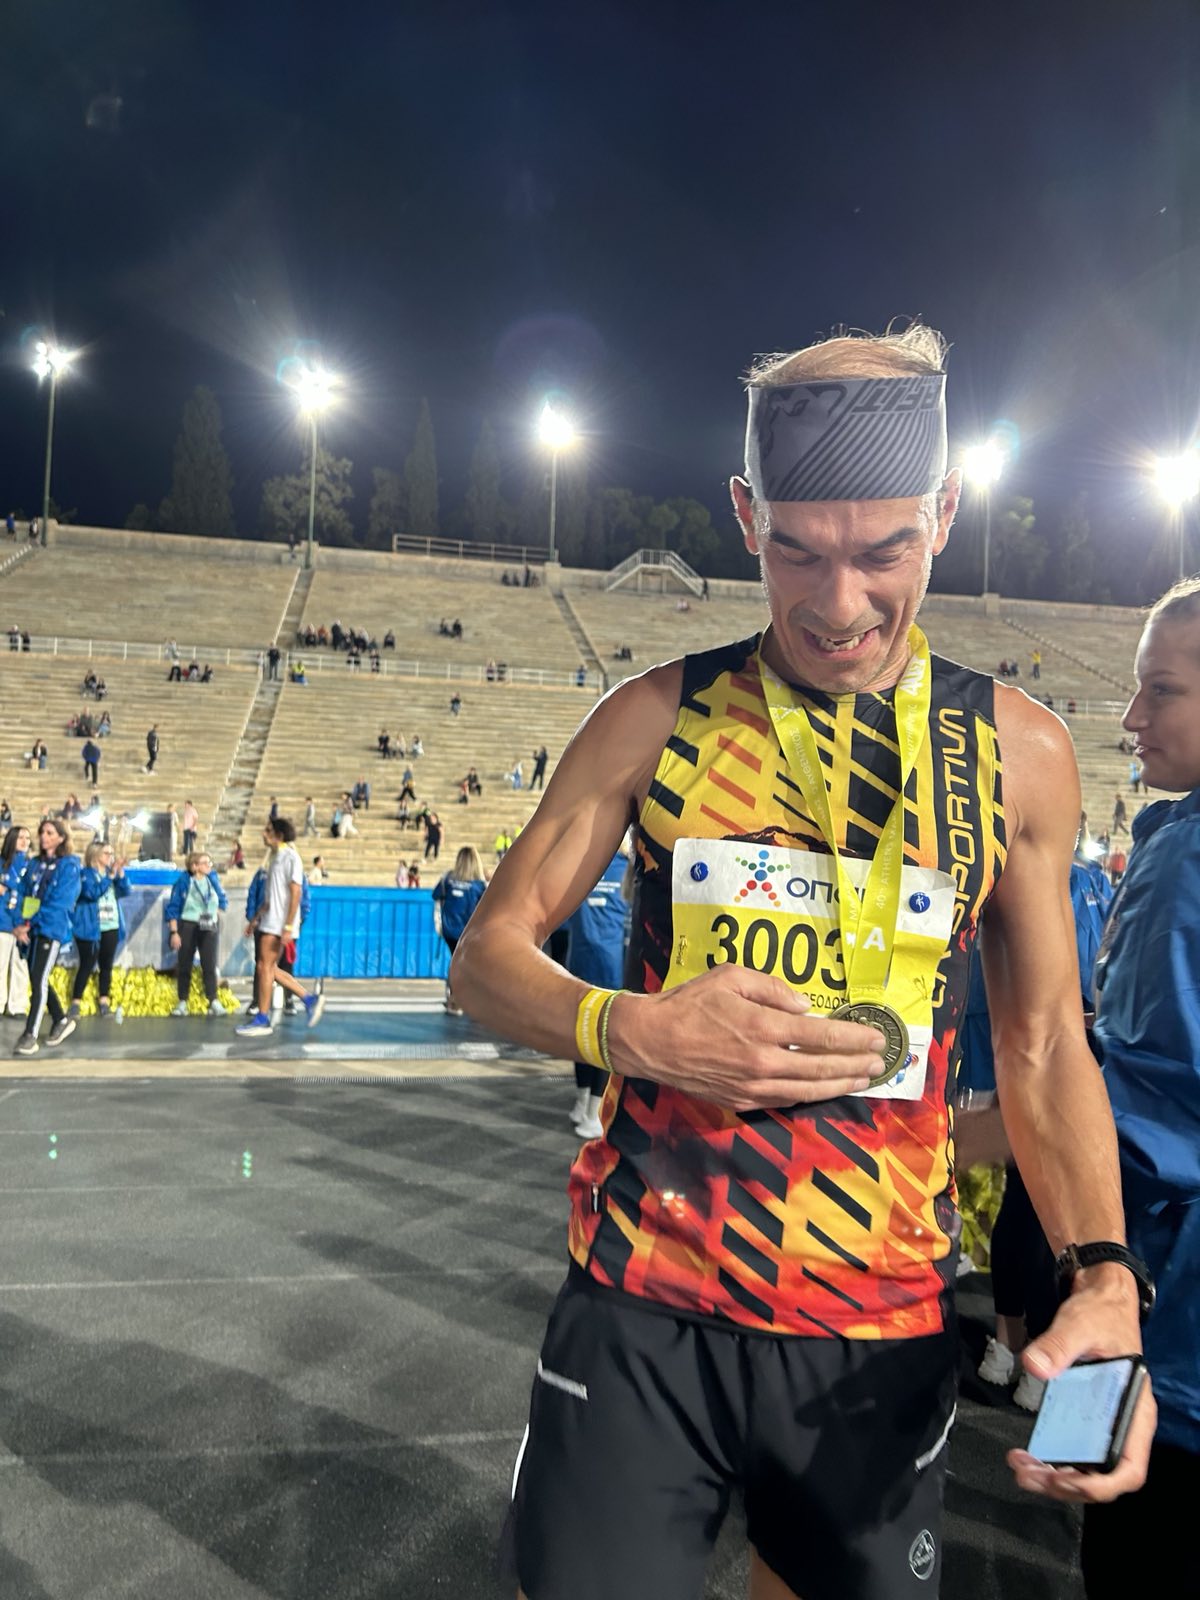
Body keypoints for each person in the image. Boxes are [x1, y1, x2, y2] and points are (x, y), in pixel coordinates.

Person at [450, 323, 1152, 1600]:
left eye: (884, 553)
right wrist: (632, 1029)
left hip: (873, 1323)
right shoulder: (655, 715)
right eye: (797, 552)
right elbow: (487, 956)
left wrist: (1104, 1280)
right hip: (646, 1301)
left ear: (945, 513)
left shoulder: (1017, 752)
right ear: (744, 516)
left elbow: (1047, 1042)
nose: (839, 606)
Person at [1081, 579, 1200, 1595]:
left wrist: (962, 1131)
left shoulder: (1183, 859)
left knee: (1124, 1556)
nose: (1131, 717)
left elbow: (1130, 1118)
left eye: (1161, 690)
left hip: (1162, 1320)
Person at [559, 842, 630, 1139]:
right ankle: (593, 1112)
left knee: (581, 1034)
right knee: (604, 1038)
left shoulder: (579, 866)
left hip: (580, 958)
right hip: (611, 962)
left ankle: (582, 1102)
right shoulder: (627, 868)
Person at [237, 818, 324, 1037]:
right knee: (268, 968)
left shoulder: (290, 857)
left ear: (279, 835)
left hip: (278, 923)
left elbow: (296, 893)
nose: (263, 833)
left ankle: (262, 1018)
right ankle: (308, 999)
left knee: (265, 966)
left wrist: (288, 926)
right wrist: (255, 920)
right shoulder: (275, 859)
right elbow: (269, 899)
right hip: (269, 920)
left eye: (268, 830)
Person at [12, 818, 82, 1056]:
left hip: (51, 928)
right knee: (36, 977)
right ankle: (61, 1019)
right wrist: (20, 923)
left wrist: (30, 923)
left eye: (50, 833)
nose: (44, 836)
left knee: (39, 978)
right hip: (32, 927)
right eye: (42, 832)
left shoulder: (69, 866)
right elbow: (23, 893)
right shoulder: (35, 864)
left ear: (61, 838)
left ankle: (30, 1035)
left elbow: (59, 903)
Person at [70, 840, 131, 1020]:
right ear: (95, 855)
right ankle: (75, 1003)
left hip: (111, 925)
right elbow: (92, 893)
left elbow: (126, 891)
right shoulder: (85, 874)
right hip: (90, 926)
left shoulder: (110, 875)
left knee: (106, 965)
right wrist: (109, 877)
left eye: (111, 853)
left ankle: (104, 1001)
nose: (110, 857)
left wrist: (120, 874)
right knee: (87, 964)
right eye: (106, 853)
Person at [165, 850, 228, 1015]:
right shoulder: (183, 882)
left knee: (209, 964)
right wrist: (174, 932)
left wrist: (214, 915)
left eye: (210, 862)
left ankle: (213, 1000)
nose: (209, 866)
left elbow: (222, 901)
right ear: (194, 866)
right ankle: (182, 1001)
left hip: (208, 926)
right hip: (188, 925)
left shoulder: (212, 880)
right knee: (185, 963)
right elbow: (173, 908)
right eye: (205, 863)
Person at [431, 846, 489, 1012]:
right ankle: (461, 998)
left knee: (456, 961)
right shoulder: (479, 886)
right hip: (469, 931)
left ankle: (454, 996)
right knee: (467, 964)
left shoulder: (447, 879)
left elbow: (435, 896)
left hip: (449, 930)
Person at [0, 825, 33, 1018]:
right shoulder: (2, 863)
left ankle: (17, 1006)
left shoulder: (32, 866)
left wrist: (26, 924)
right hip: (3, 922)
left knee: (20, 964)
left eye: (27, 838)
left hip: (23, 923)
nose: (25, 841)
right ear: (11, 839)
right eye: (21, 837)